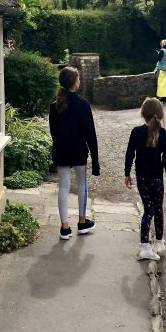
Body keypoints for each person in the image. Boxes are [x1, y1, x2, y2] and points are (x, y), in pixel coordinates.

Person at [49, 66, 99, 239]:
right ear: (73, 82)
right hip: (78, 151)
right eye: (78, 79)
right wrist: (96, 159)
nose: (80, 81)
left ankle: (64, 227)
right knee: (82, 185)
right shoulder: (83, 104)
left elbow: (53, 131)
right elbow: (90, 134)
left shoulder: (54, 104)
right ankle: (82, 221)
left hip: (61, 150)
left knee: (63, 186)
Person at [125, 97, 166, 261]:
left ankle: (145, 245)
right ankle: (158, 242)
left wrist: (127, 173)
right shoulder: (164, 135)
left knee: (148, 209)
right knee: (157, 208)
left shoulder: (136, 132)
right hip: (157, 179)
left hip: (142, 178)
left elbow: (130, 154)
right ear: (160, 115)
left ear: (143, 114)